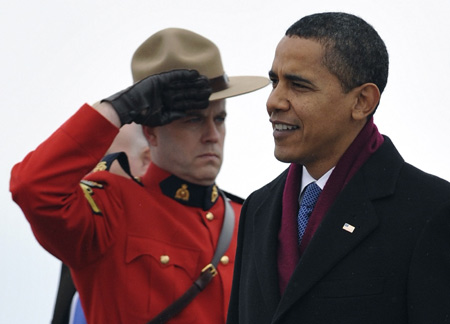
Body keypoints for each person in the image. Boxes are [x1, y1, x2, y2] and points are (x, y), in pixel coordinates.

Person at [10, 27, 269, 324]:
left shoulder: (251, 219)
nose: (212, 135)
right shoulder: (112, 210)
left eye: (219, 118)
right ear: (151, 133)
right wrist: (118, 108)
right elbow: (32, 187)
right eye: (194, 120)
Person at [227, 12, 450, 324]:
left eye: (299, 85)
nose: (274, 101)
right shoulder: (257, 209)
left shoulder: (432, 210)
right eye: (275, 81)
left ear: (362, 101)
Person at [51, 122, 151, 324]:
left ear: (146, 161)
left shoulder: (169, 242)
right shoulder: (87, 239)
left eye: (100, 160)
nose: (85, 176)